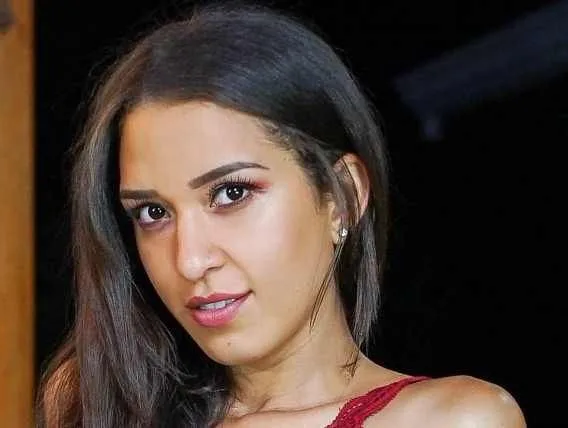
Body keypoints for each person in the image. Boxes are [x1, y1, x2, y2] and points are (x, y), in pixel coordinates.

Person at [38, 3, 526, 427]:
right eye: (153, 212)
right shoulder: (93, 406)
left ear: (344, 196)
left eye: (231, 193)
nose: (189, 260)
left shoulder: (453, 419)